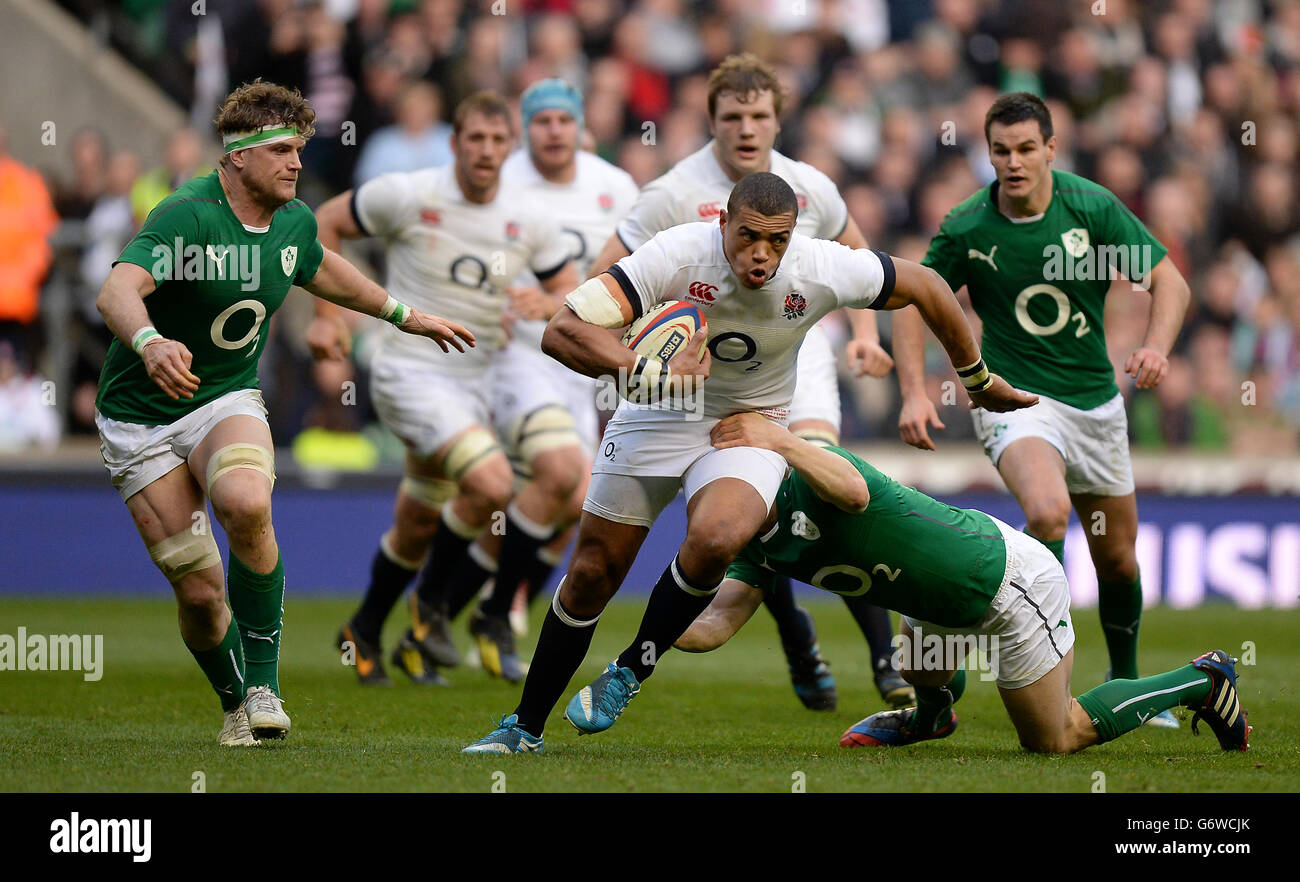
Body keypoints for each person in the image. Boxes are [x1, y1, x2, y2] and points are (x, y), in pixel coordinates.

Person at [462, 171, 1036, 754]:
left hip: (751, 420)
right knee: (591, 574)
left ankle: (631, 668)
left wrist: (976, 377)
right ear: (722, 224)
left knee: (719, 536)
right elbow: (562, 331)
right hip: (658, 409)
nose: (762, 254)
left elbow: (928, 284)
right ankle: (522, 728)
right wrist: (651, 374)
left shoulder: (819, 265)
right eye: (748, 237)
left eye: (777, 240)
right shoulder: (677, 252)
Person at [93, 80, 474, 746]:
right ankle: (234, 701)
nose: (296, 163)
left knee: (245, 501)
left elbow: (322, 267)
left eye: (300, 149)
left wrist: (402, 315)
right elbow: (116, 289)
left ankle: (265, 686)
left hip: (223, 396)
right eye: (280, 151)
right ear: (238, 157)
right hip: (141, 416)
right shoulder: (187, 214)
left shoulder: (295, 219)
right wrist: (149, 342)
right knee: (203, 595)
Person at [587, 53, 907, 711]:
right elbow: (609, 269)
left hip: (799, 354)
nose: (746, 128)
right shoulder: (674, 192)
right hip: (705, 373)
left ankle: (885, 665)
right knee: (756, 509)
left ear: (777, 119)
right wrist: (626, 347)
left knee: (817, 481)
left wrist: (870, 339)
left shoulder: (810, 185)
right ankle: (797, 638)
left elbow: (857, 249)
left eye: (759, 115)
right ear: (712, 120)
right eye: (732, 116)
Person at [674, 413, 1250, 755]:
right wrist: (645, 622)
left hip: (1006, 584)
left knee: (1056, 738)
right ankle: (932, 718)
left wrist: (777, 437)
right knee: (920, 666)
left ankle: (1201, 681)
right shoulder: (751, 540)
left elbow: (852, 493)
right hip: (937, 601)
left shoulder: (810, 468)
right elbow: (716, 624)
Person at [892, 92, 1192, 727]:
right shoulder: (970, 227)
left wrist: (1157, 348)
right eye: (1001, 150)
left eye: (1027, 148)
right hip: (1014, 399)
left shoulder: (1091, 209)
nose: (1014, 161)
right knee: (1049, 513)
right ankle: (1046, 674)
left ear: (1051, 149)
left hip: (1096, 405)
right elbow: (912, 296)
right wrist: (915, 390)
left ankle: (1126, 678)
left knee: (1118, 558)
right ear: (988, 153)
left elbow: (1171, 281)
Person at [311, 92, 579, 686]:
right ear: (454, 143)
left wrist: (549, 300)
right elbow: (323, 223)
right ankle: (431, 606)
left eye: (497, 140)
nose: (485, 150)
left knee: (418, 520)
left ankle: (361, 629)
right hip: (409, 370)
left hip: (475, 381)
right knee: (493, 483)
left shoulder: (527, 218)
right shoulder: (409, 193)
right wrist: (327, 317)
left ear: (510, 149)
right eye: (474, 139)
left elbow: (571, 288)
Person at [450, 78, 639, 679]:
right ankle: (493, 615)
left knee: (577, 503)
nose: (553, 130)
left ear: (580, 125)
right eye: (541, 121)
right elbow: (475, 260)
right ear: (525, 129)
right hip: (522, 357)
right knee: (559, 475)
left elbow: (637, 264)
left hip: (583, 363)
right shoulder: (501, 185)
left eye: (563, 119)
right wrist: (507, 295)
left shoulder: (615, 187)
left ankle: (448, 612)